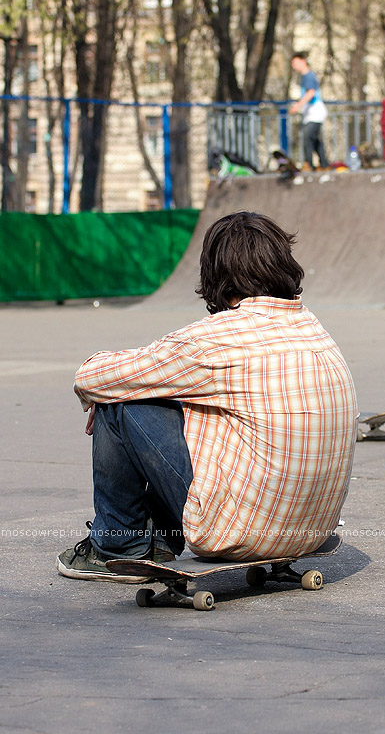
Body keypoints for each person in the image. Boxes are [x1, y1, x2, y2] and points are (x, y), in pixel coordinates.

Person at [56, 211, 358, 582]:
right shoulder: (314, 329)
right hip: (312, 528)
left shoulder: (213, 341)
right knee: (170, 393)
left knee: (120, 402)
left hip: (237, 531)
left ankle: (117, 546)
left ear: (215, 274)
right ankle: (163, 538)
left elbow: (90, 376)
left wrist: (113, 393)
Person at [289, 52, 329, 171]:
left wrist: (298, 105)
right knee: (315, 139)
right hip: (311, 112)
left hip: (315, 112)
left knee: (307, 137)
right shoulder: (305, 76)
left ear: (303, 61)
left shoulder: (308, 75)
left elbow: (311, 93)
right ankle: (324, 164)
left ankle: (308, 164)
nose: (294, 66)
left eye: (295, 63)